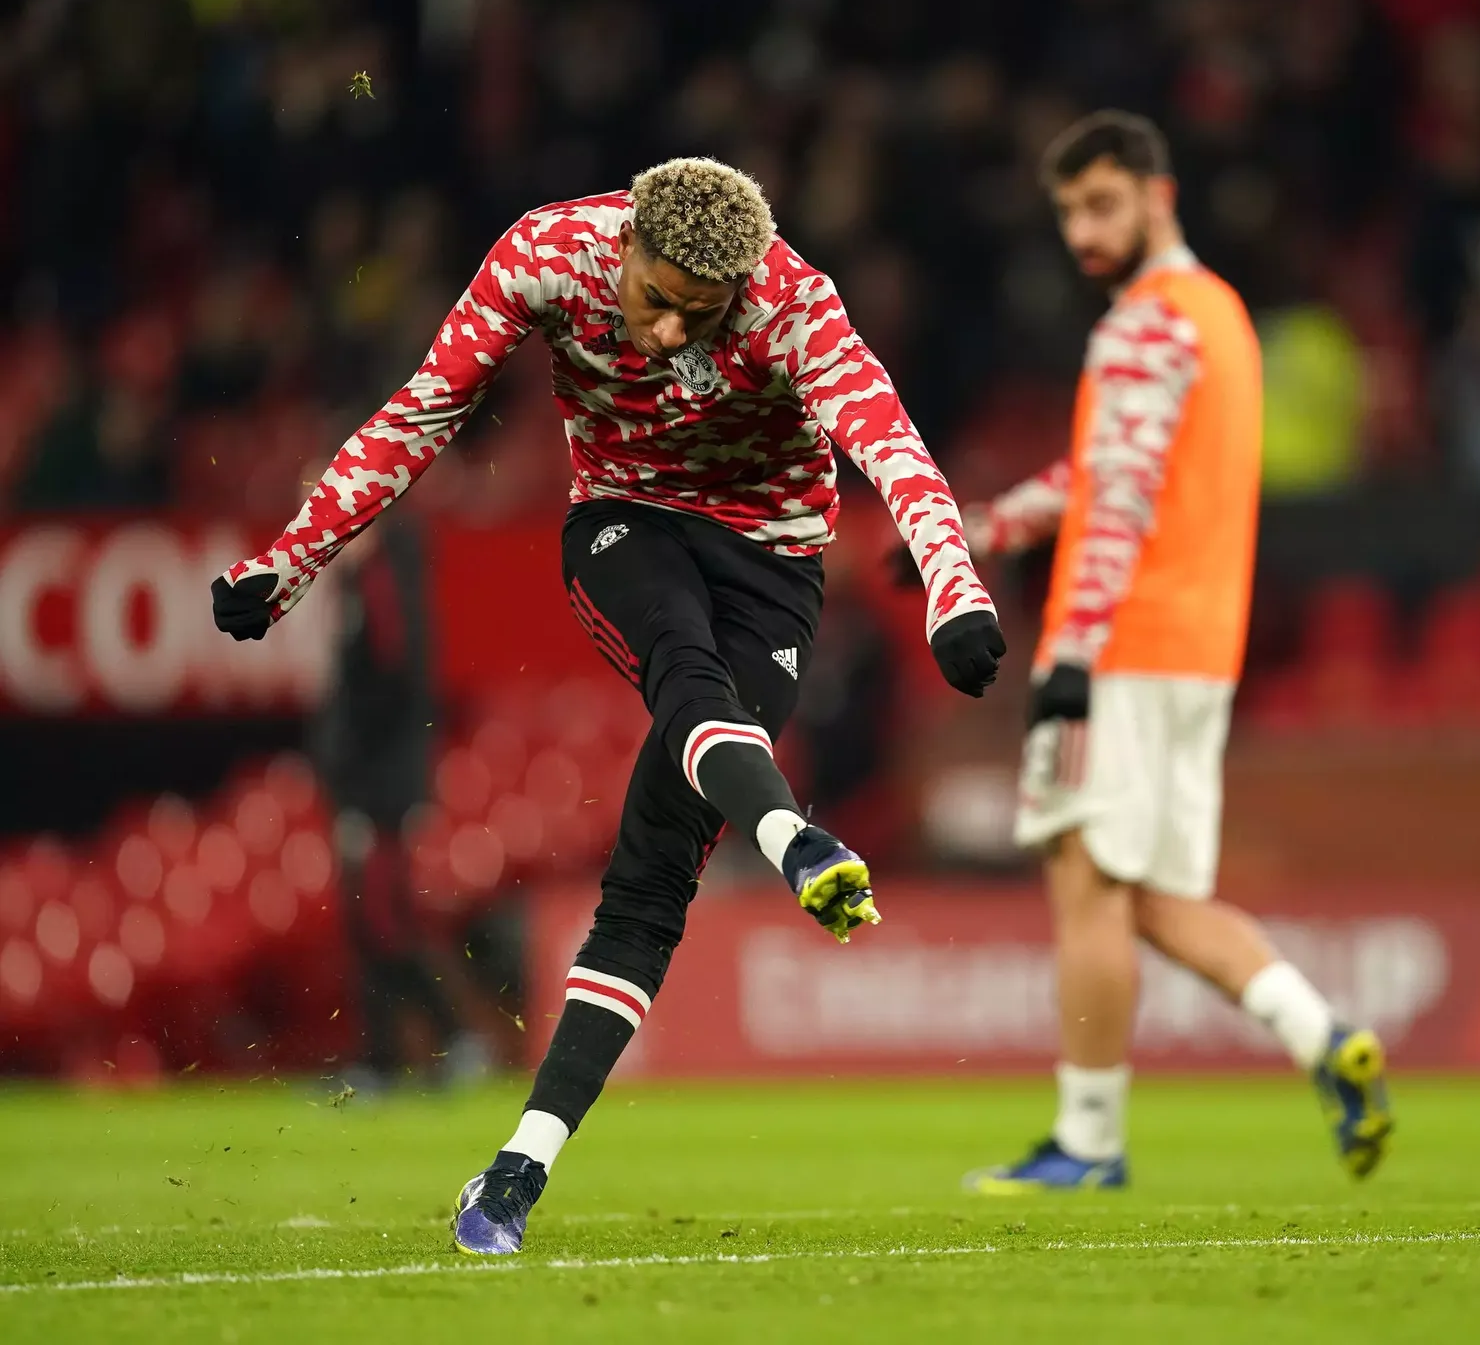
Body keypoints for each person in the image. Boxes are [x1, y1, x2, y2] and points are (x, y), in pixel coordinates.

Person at [210, 159, 1007, 1254]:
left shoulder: (792, 302)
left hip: (773, 564)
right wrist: (291, 562)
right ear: (622, 247)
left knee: (654, 869)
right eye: (656, 300)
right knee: (683, 671)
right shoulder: (546, 257)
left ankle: (515, 1172)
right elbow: (420, 413)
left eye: (700, 313)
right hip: (625, 522)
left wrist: (952, 594)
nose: (673, 333)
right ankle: (792, 836)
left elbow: (894, 453)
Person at [959, 112, 1391, 1192]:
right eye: (1066, 212)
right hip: (1199, 645)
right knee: (1150, 897)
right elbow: (1107, 473)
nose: (1081, 230)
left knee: (1085, 886)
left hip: (1122, 645)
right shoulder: (1219, 317)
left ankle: (1088, 1143)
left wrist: (1072, 655)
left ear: (1160, 196)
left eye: (1100, 204)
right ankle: (1321, 1035)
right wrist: (989, 528)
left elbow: (1123, 501)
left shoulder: (1144, 323)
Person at [312, 513, 471, 1088]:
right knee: (379, 919)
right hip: (378, 783)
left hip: (376, 788)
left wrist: (353, 778)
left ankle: (421, 1050)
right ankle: (419, 1050)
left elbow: (391, 685)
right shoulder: (378, 582)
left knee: (380, 920)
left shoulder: (381, 585)